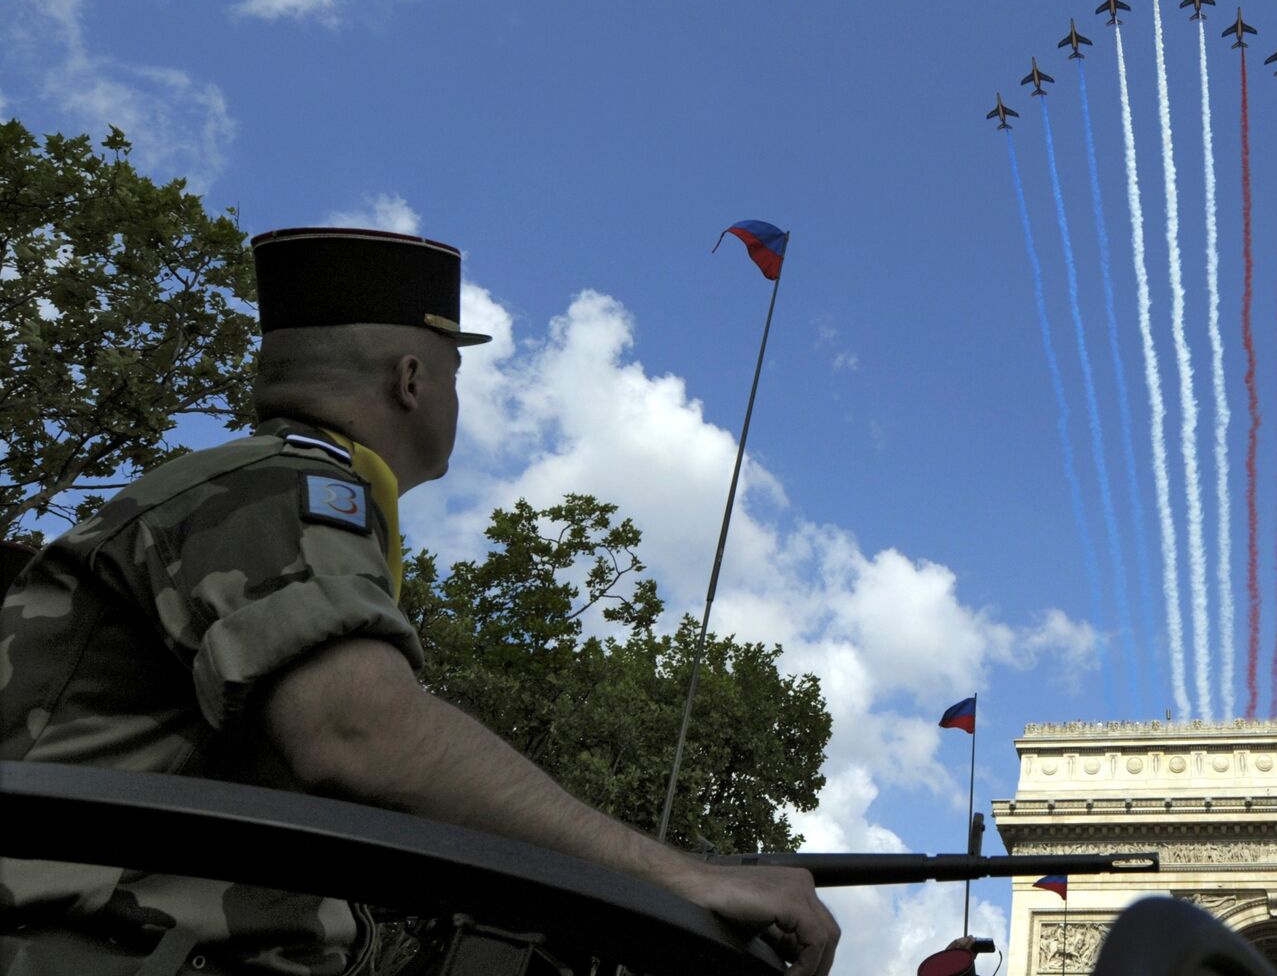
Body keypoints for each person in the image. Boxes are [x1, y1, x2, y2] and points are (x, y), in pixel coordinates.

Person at [0, 227, 838, 975]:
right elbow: (359, 733)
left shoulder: (252, 487)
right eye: (454, 373)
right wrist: (685, 880)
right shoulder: (277, 491)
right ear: (412, 380)